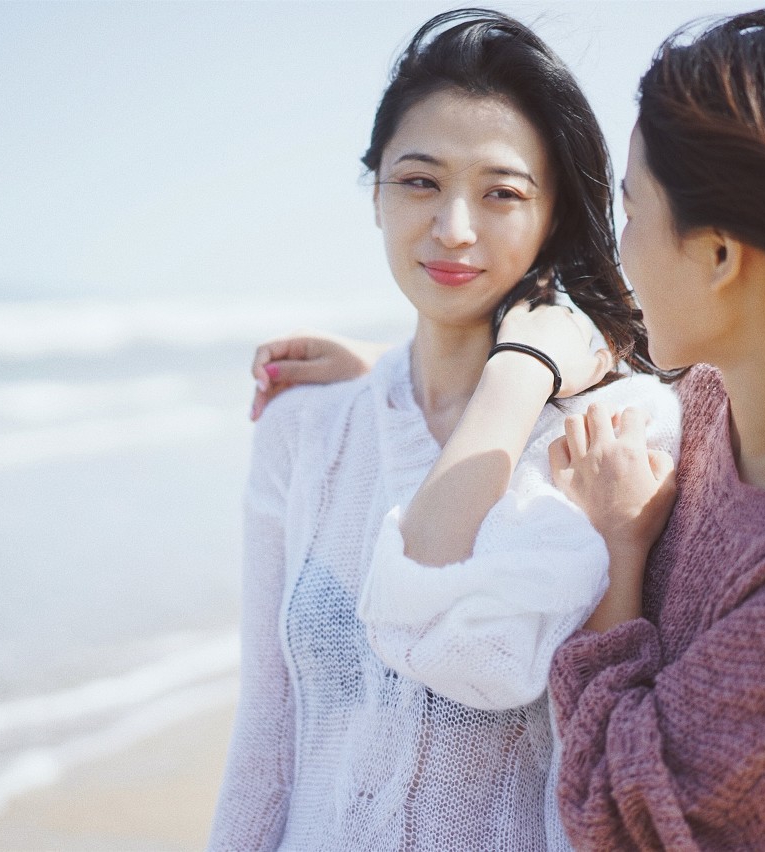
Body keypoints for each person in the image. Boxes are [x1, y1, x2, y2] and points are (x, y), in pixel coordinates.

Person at [251, 7, 765, 849]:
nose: (619, 250)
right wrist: (401, 372)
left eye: (634, 212)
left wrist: (623, 547)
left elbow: (616, 812)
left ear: (719, 257)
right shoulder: (729, 414)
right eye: (419, 182)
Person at [209, 9, 680, 851]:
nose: (453, 227)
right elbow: (266, 737)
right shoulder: (303, 430)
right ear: (376, 190)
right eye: (420, 181)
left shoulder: (605, 435)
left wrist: (515, 373)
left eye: (501, 193)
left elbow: (482, 657)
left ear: (553, 216)